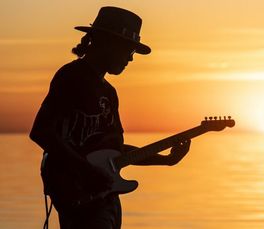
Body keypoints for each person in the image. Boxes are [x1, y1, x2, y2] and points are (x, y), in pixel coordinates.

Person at [29, 6, 191, 229]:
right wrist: (88, 171)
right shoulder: (71, 77)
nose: (130, 59)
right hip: (77, 193)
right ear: (107, 43)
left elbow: (116, 151)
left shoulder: (109, 93)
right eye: (128, 50)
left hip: (104, 194)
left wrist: (165, 160)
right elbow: (41, 131)